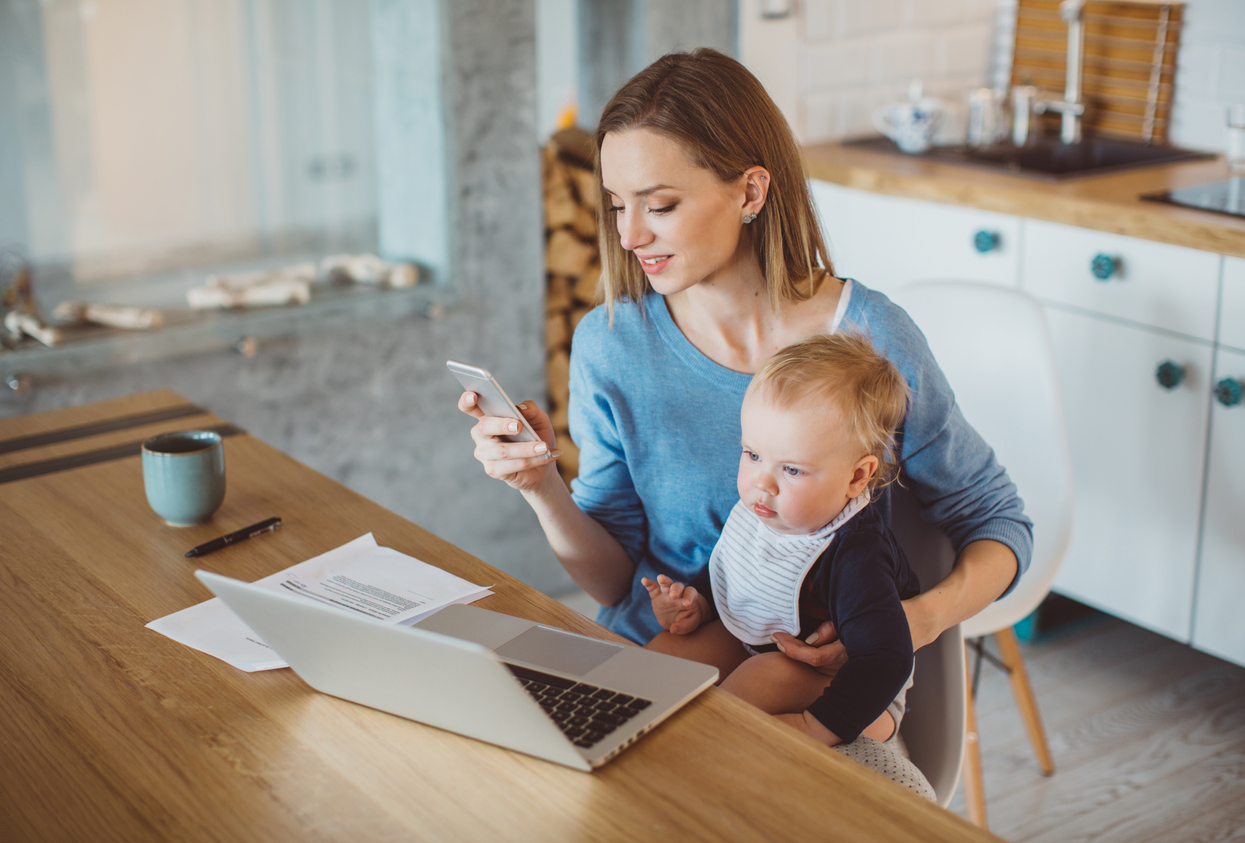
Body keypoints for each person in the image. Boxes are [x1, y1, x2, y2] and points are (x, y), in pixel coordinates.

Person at [458, 48, 1032, 731]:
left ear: (750, 192)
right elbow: (613, 584)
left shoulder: (871, 339)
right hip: (660, 656)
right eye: (617, 205)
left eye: (660, 204)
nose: (629, 234)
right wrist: (540, 484)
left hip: (815, 684)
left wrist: (915, 619)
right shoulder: (610, 343)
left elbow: (998, 521)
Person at [642, 332, 918, 756]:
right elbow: (738, 578)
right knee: (667, 655)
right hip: (767, 644)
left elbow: (887, 660)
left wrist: (815, 727)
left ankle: (690, 757)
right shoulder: (765, 512)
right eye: (752, 455)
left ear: (857, 477)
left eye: (791, 469)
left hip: (864, 692)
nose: (761, 483)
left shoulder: (856, 553)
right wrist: (692, 607)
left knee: (761, 678)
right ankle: (627, 737)